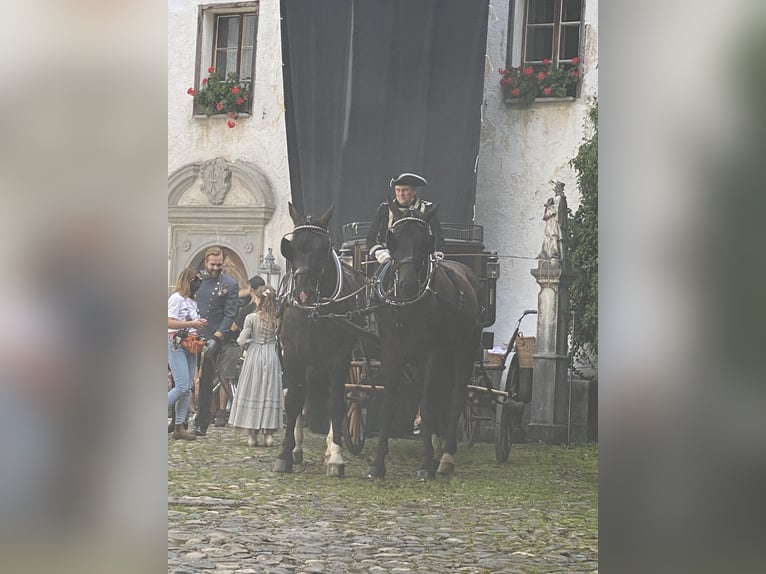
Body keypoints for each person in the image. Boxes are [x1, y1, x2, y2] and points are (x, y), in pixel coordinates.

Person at [192, 246, 240, 436]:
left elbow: (230, 314)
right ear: (206, 263)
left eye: (219, 264)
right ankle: (178, 420)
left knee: (205, 382)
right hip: (191, 334)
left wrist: (217, 337)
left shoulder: (230, 284)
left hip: (213, 338)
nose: (216, 268)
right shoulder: (196, 280)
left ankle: (201, 422)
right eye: (212, 264)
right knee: (185, 381)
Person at [228, 285, 283, 447]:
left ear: (259, 299)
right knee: (269, 391)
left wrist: (250, 343)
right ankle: (269, 435)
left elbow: (241, 340)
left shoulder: (251, 318)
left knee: (254, 390)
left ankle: (252, 435)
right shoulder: (277, 319)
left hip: (254, 355)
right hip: (271, 356)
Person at [366, 172, 445, 264]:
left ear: (414, 191)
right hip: (389, 259)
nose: (401, 194)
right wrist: (380, 252)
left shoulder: (427, 209)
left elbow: (438, 237)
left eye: (405, 190)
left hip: (421, 260)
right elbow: (371, 238)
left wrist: (437, 252)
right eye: (397, 190)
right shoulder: (385, 209)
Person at [168, 268, 207, 441]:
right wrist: (191, 323)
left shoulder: (192, 301)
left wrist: (198, 325)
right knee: (181, 385)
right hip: (176, 341)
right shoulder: (176, 299)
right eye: (195, 279)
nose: (198, 282)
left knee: (187, 388)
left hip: (191, 342)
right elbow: (167, 321)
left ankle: (179, 426)